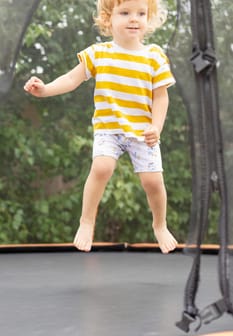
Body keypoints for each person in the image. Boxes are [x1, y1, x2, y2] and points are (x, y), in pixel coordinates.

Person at [24, 0, 177, 254]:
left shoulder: (155, 56)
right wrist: (45, 89)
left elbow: (161, 97)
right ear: (109, 18)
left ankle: (160, 225)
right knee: (102, 166)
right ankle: (86, 221)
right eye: (125, 12)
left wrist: (156, 126)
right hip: (109, 127)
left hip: (143, 131)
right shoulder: (99, 53)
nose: (134, 19)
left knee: (153, 182)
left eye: (141, 13)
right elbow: (72, 79)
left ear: (149, 19)